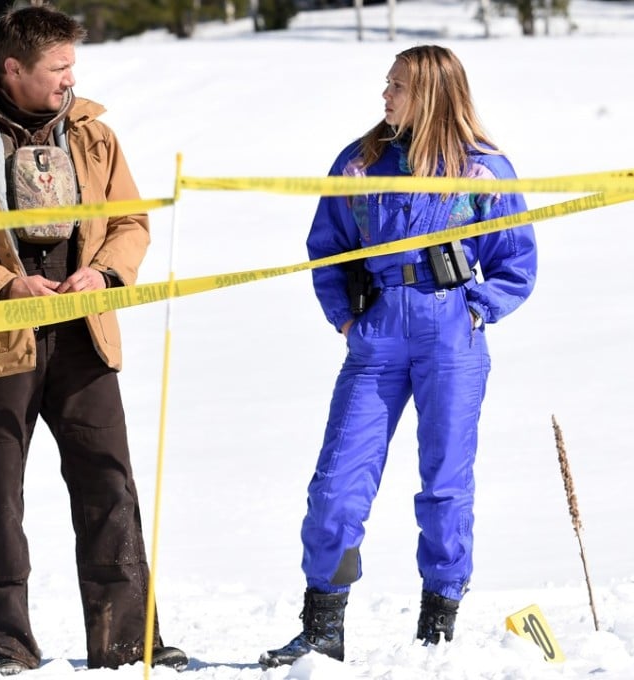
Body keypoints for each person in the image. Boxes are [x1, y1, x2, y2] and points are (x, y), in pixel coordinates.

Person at [0, 4, 186, 674]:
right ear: (13, 68)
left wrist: (104, 273)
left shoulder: (93, 133)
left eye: (71, 66)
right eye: (57, 68)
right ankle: (5, 648)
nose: (69, 79)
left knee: (110, 487)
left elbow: (131, 221)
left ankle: (126, 646)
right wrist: (4, 286)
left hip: (85, 337)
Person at [260, 45, 537, 666]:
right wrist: (346, 316)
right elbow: (327, 247)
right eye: (387, 84)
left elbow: (516, 262)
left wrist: (477, 307)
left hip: (451, 335)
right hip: (378, 335)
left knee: (445, 485)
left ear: (432, 93)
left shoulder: (483, 169)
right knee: (337, 484)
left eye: (398, 87)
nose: (385, 96)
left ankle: (439, 622)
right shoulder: (360, 163)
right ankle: (323, 625)